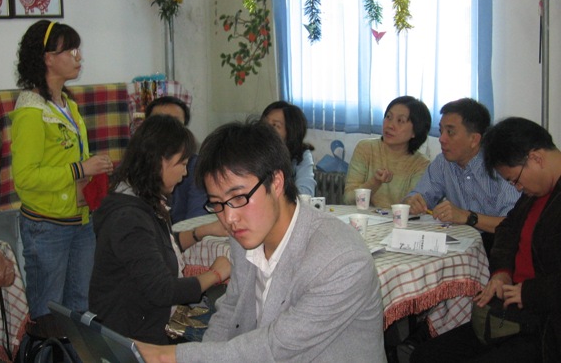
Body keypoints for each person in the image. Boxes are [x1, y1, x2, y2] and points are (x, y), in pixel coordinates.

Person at [135, 119, 386, 363]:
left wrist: (168, 357)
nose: (229, 218)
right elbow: (231, 310)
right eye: (217, 203)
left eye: (239, 197)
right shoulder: (246, 233)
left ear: (276, 182)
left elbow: (275, 349)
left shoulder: (341, 260)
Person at [411, 117, 561, 362]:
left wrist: (530, 293)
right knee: (425, 356)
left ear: (536, 158)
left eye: (515, 180)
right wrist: (501, 272)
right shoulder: (535, 193)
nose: (517, 188)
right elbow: (507, 230)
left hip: (545, 322)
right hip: (513, 311)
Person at [88, 114, 231, 345]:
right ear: (159, 162)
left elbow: (158, 247)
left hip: (141, 321)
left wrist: (204, 230)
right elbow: (163, 290)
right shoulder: (128, 218)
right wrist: (215, 274)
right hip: (132, 336)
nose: (185, 173)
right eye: (182, 164)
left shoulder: (137, 198)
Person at [10, 20, 113, 319]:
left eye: (77, 50)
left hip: (80, 221)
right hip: (47, 227)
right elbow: (25, 178)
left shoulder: (67, 104)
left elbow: (65, 157)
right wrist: (81, 168)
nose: (79, 57)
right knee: (48, 313)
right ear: (48, 58)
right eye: (71, 51)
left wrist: (93, 166)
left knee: (80, 308)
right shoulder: (31, 111)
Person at [403, 98, 520, 254]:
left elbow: (512, 224)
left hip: (498, 248)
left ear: (474, 139)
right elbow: (418, 196)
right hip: (459, 245)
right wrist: (412, 202)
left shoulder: (500, 166)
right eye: (441, 131)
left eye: (450, 132)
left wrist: (467, 217)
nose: (441, 139)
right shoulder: (443, 162)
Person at [343, 96, 431, 208]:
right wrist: (374, 182)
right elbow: (348, 199)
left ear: (415, 131)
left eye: (400, 121)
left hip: (399, 219)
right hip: (363, 217)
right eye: (388, 117)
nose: (390, 125)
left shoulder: (421, 164)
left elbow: (411, 206)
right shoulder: (365, 148)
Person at [145, 96, 207, 224]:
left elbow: (197, 218)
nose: (167, 132)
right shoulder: (133, 165)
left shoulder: (195, 166)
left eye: (175, 124)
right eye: (159, 124)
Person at [261, 101, 316, 196]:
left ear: (290, 131)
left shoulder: (301, 154)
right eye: (264, 123)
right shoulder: (253, 151)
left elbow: (305, 193)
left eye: (275, 125)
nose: (266, 129)